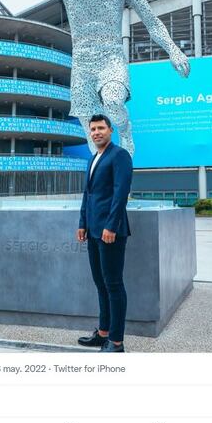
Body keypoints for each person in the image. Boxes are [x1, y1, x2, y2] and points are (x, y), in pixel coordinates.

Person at [25, 0, 190, 156]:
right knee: (94, 136)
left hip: (111, 57)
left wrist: (173, 49)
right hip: (82, 63)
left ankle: (125, 131)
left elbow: (150, 19)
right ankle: (103, 177)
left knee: (113, 102)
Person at [76, 114, 132, 352]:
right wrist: (82, 222)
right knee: (100, 283)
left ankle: (117, 342)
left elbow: (120, 194)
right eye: (93, 129)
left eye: (101, 128)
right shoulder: (94, 158)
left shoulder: (119, 155)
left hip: (111, 231)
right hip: (93, 230)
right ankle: (103, 332)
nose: (96, 132)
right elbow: (88, 195)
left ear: (110, 130)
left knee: (113, 285)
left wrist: (110, 226)